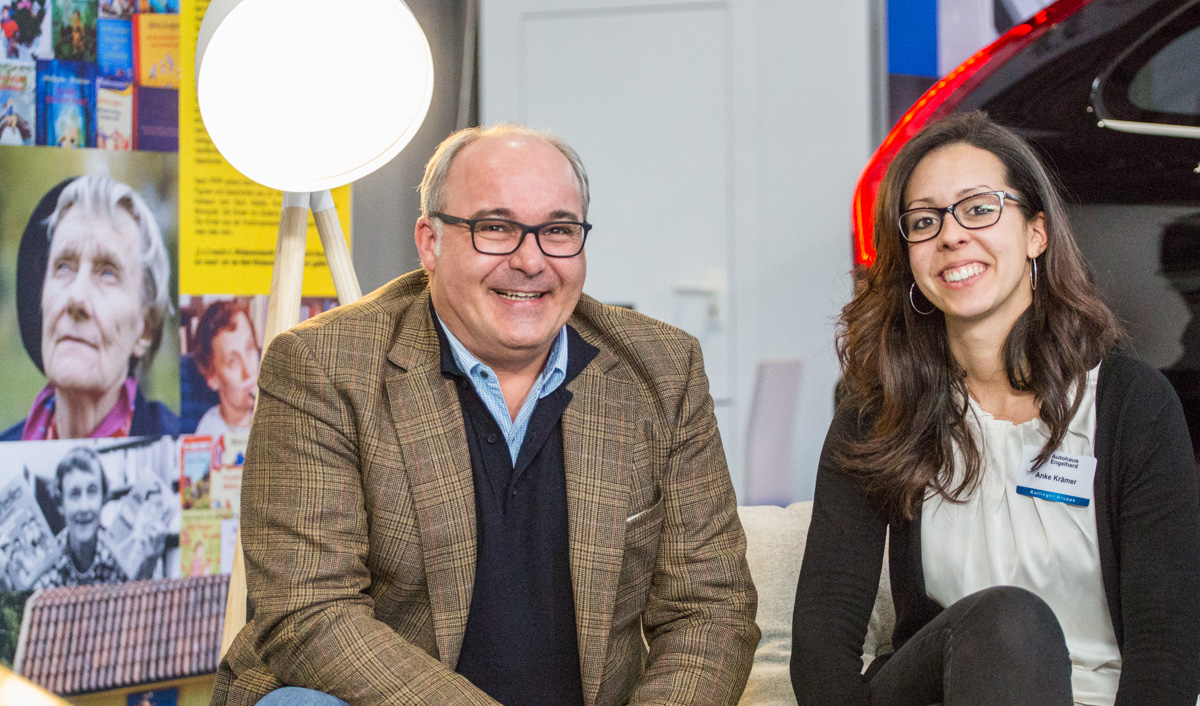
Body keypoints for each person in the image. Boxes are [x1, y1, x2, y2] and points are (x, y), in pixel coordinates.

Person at [211, 124, 759, 706]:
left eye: (558, 230)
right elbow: (310, 611)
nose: (531, 261)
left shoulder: (662, 369)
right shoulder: (324, 365)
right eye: (495, 228)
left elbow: (710, 608)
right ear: (430, 242)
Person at [790, 111, 1200, 705]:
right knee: (1009, 620)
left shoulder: (1132, 406)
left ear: (1037, 233)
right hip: (938, 694)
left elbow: (1167, 647)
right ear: (908, 257)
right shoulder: (881, 410)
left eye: (979, 208)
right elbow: (824, 635)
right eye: (924, 221)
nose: (951, 235)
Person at [2, 174, 178, 441]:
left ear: (145, 330)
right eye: (63, 267)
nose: (76, 298)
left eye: (108, 273)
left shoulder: (181, 453)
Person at [192, 300, 259, 439]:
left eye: (249, 348)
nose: (248, 372)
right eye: (232, 361)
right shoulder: (208, 432)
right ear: (213, 378)